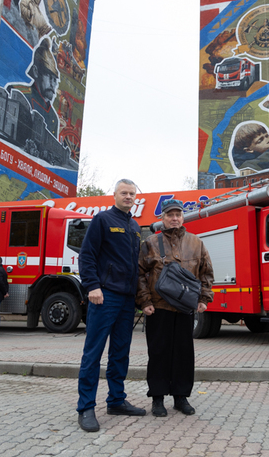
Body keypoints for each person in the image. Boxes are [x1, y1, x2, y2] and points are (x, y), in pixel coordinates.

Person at [76, 179, 145, 432]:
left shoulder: (135, 226)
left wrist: (139, 298)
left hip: (127, 300)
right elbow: (87, 255)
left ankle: (116, 400)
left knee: (120, 352)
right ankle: (85, 407)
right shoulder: (102, 220)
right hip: (104, 296)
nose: (128, 197)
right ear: (114, 194)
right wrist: (93, 286)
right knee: (93, 352)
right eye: (124, 193)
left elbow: (135, 266)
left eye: (132, 194)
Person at [136, 199, 214, 417]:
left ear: (182, 217)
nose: (174, 218)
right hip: (158, 308)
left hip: (185, 309)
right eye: (170, 215)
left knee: (184, 354)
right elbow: (139, 274)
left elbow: (206, 272)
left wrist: (203, 299)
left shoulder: (196, 242)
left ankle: (181, 397)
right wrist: (145, 302)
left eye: (178, 215)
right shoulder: (150, 242)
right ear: (162, 218)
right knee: (159, 353)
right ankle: (158, 398)